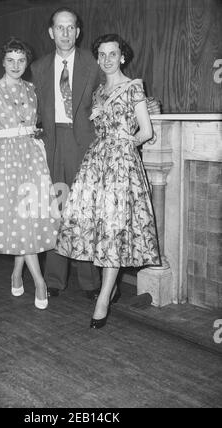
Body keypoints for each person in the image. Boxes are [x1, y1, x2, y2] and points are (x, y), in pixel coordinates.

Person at [55, 34, 160, 328]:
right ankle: (109, 288)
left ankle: (103, 299)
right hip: (97, 164)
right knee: (97, 228)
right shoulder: (99, 92)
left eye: (112, 54)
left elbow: (147, 131)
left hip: (121, 166)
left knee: (113, 230)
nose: (107, 59)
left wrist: (128, 143)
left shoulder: (133, 87)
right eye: (102, 55)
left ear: (122, 57)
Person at [0, 37, 60, 310]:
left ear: (26, 62)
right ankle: (39, 282)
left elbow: (36, 120)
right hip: (4, 161)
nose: (16, 65)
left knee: (29, 218)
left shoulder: (32, 90)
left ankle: (18, 273)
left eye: (21, 60)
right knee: (19, 218)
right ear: (2, 61)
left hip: (30, 157)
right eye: (10, 60)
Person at [31, 7, 102, 300]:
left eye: (70, 27)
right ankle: (55, 279)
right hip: (51, 143)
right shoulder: (37, 68)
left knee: (84, 211)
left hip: (84, 142)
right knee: (55, 211)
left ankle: (89, 281)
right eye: (60, 27)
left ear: (78, 31)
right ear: (51, 32)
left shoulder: (94, 63)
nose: (65, 33)